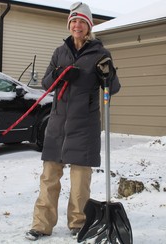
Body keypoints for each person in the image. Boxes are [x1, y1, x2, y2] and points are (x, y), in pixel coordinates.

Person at [25, 2, 121, 241]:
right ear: (69, 24)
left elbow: (114, 87)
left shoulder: (100, 53)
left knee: (80, 180)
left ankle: (78, 223)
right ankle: (41, 224)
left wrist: (107, 74)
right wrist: (58, 74)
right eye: (74, 21)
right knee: (49, 177)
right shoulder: (60, 52)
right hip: (57, 124)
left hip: (84, 125)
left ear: (89, 26)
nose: (77, 26)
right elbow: (46, 83)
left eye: (82, 22)